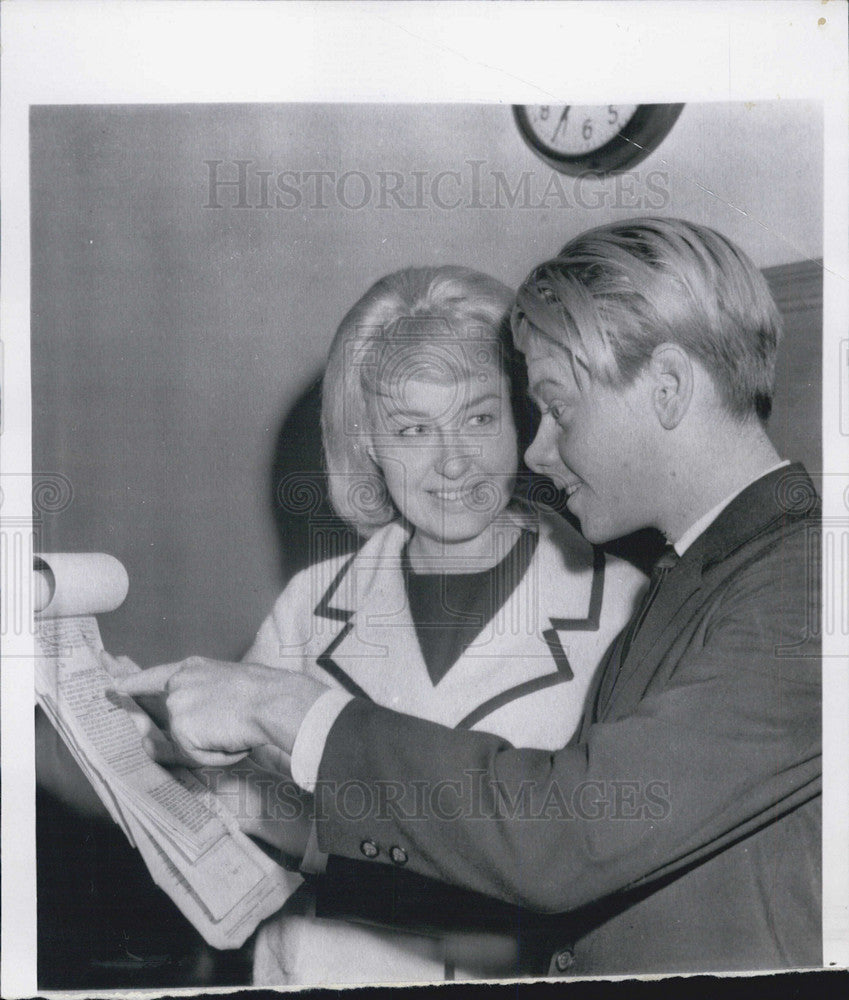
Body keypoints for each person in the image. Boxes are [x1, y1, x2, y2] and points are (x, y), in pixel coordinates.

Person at [117, 219, 822, 975]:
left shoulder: (787, 589)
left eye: (524, 412)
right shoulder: (697, 577)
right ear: (368, 446)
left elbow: (561, 835)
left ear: (670, 387)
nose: (534, 452)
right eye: (413, 428)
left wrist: (278, 705)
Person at [112, 265, 645, 985]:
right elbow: (259, 825)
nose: (453, 460)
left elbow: (599, 854)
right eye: (413, 428)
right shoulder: (311, 602)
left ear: (524, 416)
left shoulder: (622, 605)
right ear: (367, 443)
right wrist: (146, 756)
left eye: (479, 417)